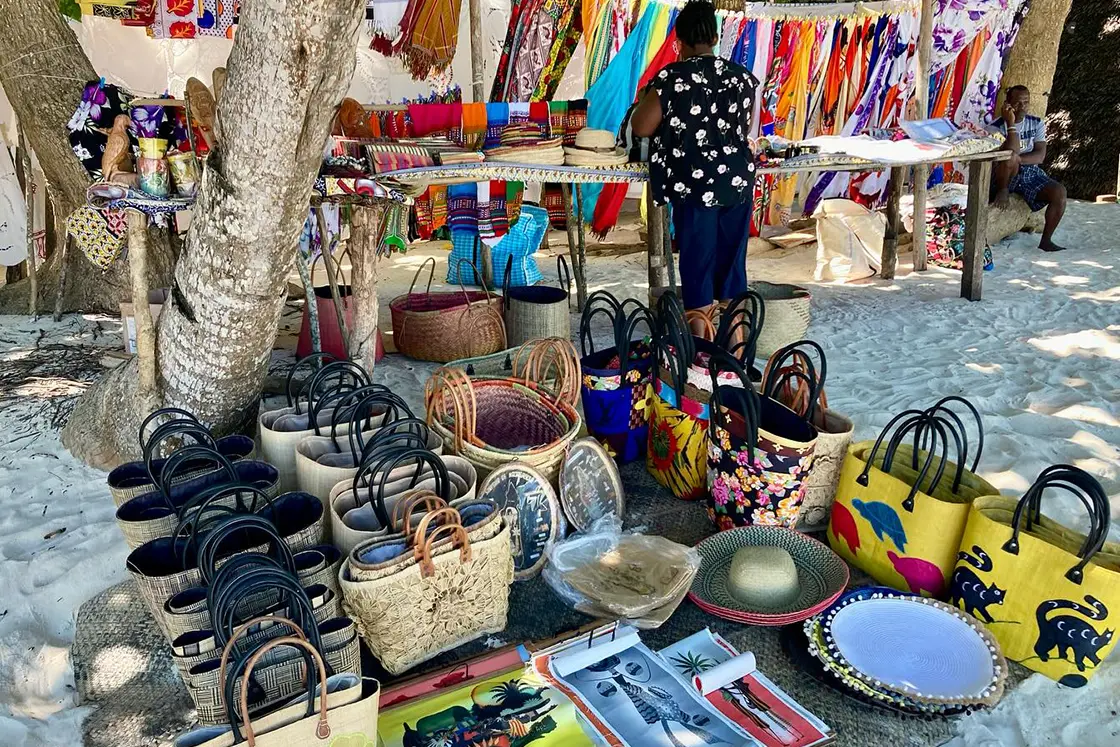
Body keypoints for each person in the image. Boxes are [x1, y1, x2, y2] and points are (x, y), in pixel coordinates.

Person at [630, 0, 758, 335]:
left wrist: (646, 100)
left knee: (699, 270)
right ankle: (736, 353)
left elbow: (642, 127)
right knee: (732, 271)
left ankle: (701, 359)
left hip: (697, 185)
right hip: (738, 183)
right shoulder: (742, 78)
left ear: (680, 40)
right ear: (715, 37)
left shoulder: (674, 77)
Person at [989, 85, 1067, 252]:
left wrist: (1018, 159)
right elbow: (1011, 152)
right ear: (1007, 104)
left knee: (1059, 192)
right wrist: (1010, 123)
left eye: (1026, 102)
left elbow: (1040, 156)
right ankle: (1003, 191)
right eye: (1018, 103)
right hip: (1004, 173)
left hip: (1029, 171)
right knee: (1009, 158)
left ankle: (1046, 241)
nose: (1023, 106)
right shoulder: (995, 127)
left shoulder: (1036, 123)